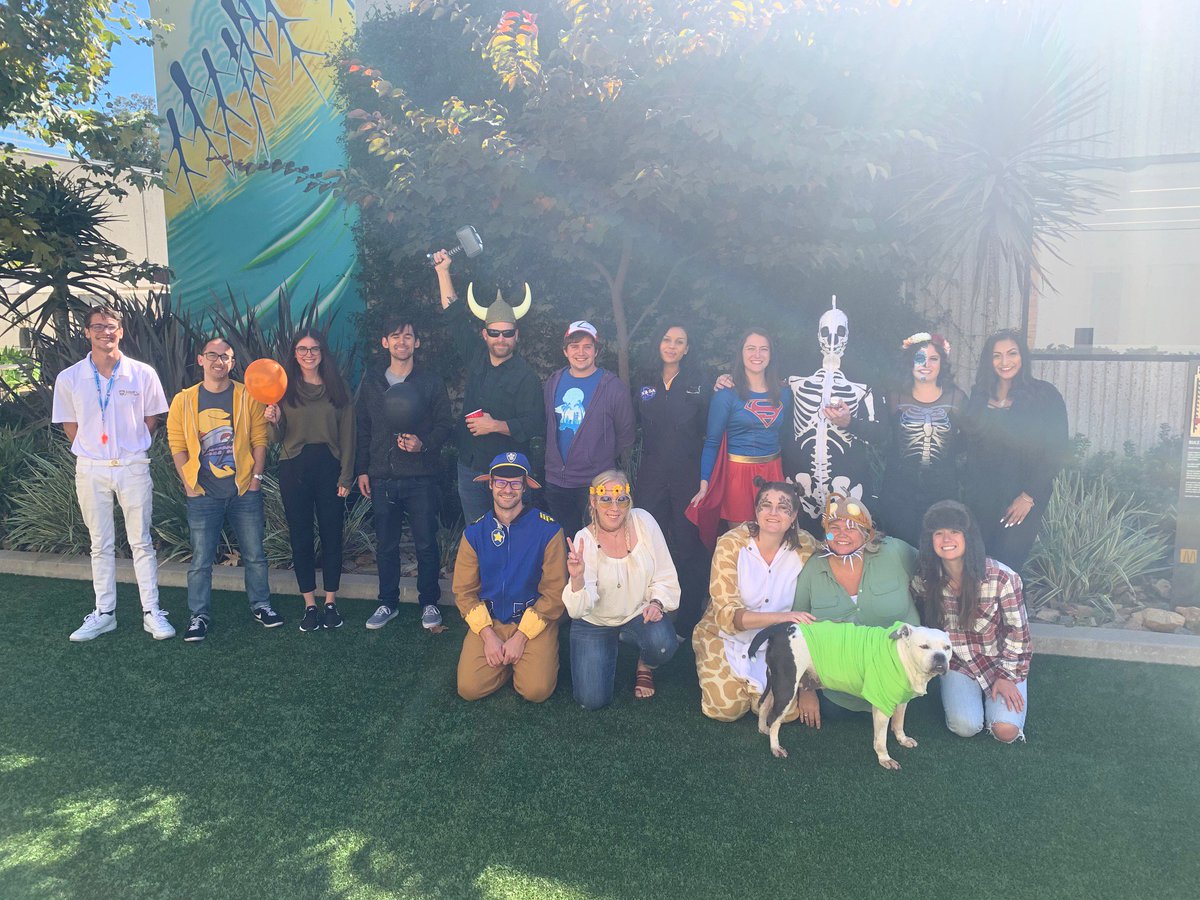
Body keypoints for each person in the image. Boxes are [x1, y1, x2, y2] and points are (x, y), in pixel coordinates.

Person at [52, 305, 173, 642]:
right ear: (87, 333)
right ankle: (104, 613)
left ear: (120, 331)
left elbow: (151, 419)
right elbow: (70, 425)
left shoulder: (142, 373)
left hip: (132, 466)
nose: (105, 332)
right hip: (91, 469)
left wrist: (130, 447)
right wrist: (94, 451)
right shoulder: (70, 378)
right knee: (100, 544)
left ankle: (152, 612)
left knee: (142, 542)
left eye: (111, 326)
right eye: (98, 327)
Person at [167, 337, 280, 642]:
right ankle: (198, 615)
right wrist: (188, 483)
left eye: (225, 357)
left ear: (232, 362)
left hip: (244, 490)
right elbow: (177, 445)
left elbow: (259, 439)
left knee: (255, 554)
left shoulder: (247, 396)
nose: (219, 361)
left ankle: (261, 605)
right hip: (202, 493)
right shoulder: (184, 400)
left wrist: (255, 479)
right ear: (200, 360)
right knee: (201, 560)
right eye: (212, 355)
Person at [355, 317, 454, 632]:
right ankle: (388, 602)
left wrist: (424, 444)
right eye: (395, 336)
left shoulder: (430, 382)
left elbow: (445, 424)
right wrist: (362, 469)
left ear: (416, 342)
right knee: (386, 545)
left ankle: (429, 602)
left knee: (426, 543)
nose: (402, 342)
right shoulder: (372, 382)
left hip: (421, 476)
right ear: (385, 342)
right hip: (383, 476)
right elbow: (363, 427)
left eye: (408, 336)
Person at [692, 479, 818, 722]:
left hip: (774, 645)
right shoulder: (731, 544)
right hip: (725, 636)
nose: (773, 513)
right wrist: (782, 617)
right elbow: (727, 616)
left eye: (783, 507)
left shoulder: (806, 547)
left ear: (794, 515)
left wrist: (808, 687)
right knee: (725, 710)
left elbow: (834, 549)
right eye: (766, 505)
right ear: (756, 510)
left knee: (781, 713)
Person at [434, 250, 544, 524]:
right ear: (485, 334)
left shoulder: (526, 377)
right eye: (494, 332)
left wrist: (494, 425)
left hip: (509, 474)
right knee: (477, 535)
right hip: (470, 468)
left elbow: (534, 423)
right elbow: (455, 317)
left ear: (516, 335)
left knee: (513, 536)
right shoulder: (476, 357)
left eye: (507, 333)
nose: (501, 338)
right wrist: (443, 272)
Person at [791, 493, 919, 727]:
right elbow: (798, 628)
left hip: (900, 681)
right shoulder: (812, 569)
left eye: (851, 528)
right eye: (834, 528)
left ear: (867, 533)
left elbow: (935, 569)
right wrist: (806, 689)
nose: (842, 534)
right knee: (833, 711)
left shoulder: (895, 552)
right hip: (840, 693)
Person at [911, 500, 1032, 743]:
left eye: (954, 531)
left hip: (998, 661)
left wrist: (1007, 676)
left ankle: (1003, 695)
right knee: (965, 727)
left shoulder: (1002, 577)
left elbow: (1018, 634)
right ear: (930, 540)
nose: (946, 539)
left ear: (968, 536)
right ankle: (966, 695)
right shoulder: (925, 579)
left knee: (1005, 731)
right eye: (938, 533)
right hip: (957, 663)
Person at [453, 452, 567, 702]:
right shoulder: (474, 533)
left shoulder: (548, 531)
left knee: (536, 691)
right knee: (469, 689)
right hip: (490, 621)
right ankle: (505, 661)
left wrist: (521, 637)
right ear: (490, 484)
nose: (507, 489)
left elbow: (555, 592)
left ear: (525, 487)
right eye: (501, 482)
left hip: (533, 621)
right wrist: (487, 635)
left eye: (515, 483)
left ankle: (524, 657)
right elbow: (464, 591)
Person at [563, 471, 682, 709]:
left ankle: (645, 664)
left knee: (662, 644)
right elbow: (577, 610)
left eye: (621, 499)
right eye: (606, 499)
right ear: (593, 501)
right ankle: (609, 642)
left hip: (638, 613)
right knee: (591, 701)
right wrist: (576, 579)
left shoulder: (643, 521)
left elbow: (665, 573)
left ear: (629, 500)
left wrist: (656, 603)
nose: (614, 508)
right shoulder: (583, 539)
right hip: (595, 622)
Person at [263, 329, 355, 632]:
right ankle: (309, 605)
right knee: (300, 537)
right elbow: (276, 437)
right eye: (302, 349)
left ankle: (330, 602)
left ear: (322, 353)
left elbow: (348, 436)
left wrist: (346, 475)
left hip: (330, 468)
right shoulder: (283, 389)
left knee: (332, 535)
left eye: (314, 349)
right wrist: (272, 421)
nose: (308, 354)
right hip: (294, 468)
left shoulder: (338, 388)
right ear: (294, 354)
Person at [961, 329, 1069, 571]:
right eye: (997, 355)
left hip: (1022, 496)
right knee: (978, 563)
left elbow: (1057, 449)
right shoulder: (979, 396)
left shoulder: (1044, 395)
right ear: (989, 361)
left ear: (1023, 357)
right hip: (981, 497)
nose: (1005, 362)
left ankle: (1012, 599)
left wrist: (1029, 496)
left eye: (1012, 353)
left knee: (1008, 564)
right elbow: (967, 443)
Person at [633, 324, 711, 634]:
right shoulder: (644, 380)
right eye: (667, 339)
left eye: (680, 342)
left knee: (688, 545)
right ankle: (645, 613)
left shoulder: (699, 384)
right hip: (651, 474)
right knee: (648, 542)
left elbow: (707, 430)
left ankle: (688, 620)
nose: (672, 346)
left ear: (687, 348)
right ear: (658, 343)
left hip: (687, 476)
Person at [690, 329, 787, 547]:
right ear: (741, 353)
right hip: (738, 476)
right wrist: (705, 484)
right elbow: (712, 442)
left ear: (771, 354)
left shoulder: (784, 393)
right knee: (743, 543)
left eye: (763, 349)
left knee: (774, 541)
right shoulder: (726, 394)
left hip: (774, 472)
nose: (757, 354)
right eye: (750, 348)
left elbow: (787, 438)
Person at [542, 321, 636, 540]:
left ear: (596, 351)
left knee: (599, 541)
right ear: (565, 351)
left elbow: (626, 435)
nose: (581, 352)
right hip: (557, 481)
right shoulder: (553, 382)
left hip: (596, 482)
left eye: (587, 346)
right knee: (563, 543)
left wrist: (598, 458)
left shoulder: (613, 387)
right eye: (574, 346)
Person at [876, 332, 967, 546]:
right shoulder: (894, 397)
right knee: (899, 547)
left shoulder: (957, 398)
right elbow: (881, 435)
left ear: (942, 363)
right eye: (920, 358)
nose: (926, 364)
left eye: (933, 358)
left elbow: (969, 439)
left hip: (942, 490)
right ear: (910, 362)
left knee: (936, 547)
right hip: (899, 490)